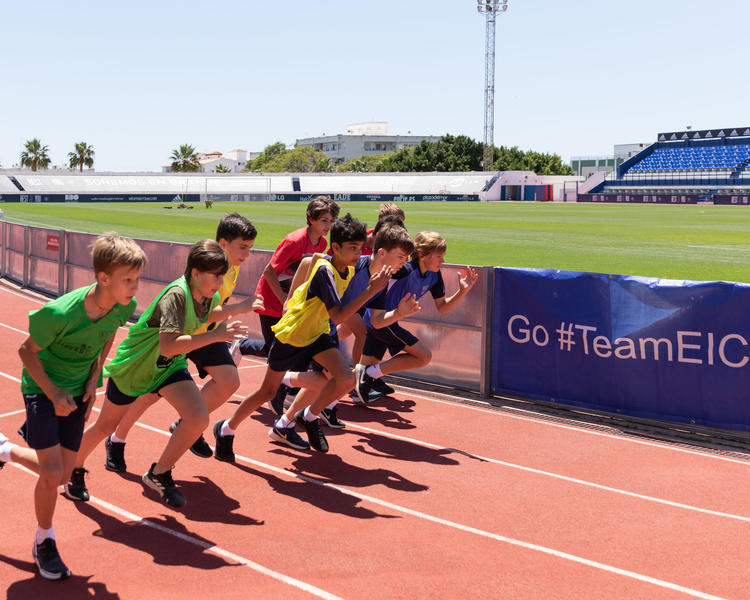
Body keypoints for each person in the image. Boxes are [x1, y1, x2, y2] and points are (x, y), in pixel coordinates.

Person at [64, 240, 247, 509]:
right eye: (216, 276)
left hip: (168, 367)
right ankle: (73, 469)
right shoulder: (177, 295)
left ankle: (159, 473)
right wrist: (216, 336)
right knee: (105, 426)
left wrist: (242, 307)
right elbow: (169, 344)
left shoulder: (208, 294)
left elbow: (209, 312)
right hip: (135, 367)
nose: (220, 282)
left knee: (198, 417)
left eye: (222, 275)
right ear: (195, 273)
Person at [8, 233, 146, 580]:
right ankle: (44, 540)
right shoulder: (59, 313)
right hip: (43, 388)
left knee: (64, 474)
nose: (134, 286)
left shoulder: (123, 306)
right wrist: (53, 393)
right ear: (103, 278)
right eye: (127, 279)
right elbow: (26, 353)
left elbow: (109, 334)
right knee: (52, 474)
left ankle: (4, 450)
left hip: (78, 390)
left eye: (137, 278)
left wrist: (93, 379)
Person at [213, 214, 391, 457]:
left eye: (360, 248)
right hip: (293, 336)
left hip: (316, 335)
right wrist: (371, 291)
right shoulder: (325, 272)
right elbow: (338, 315)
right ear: (335, 247)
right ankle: (226, 428)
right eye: (352, 248)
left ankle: (308, 416)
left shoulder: (347, 268)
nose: (357, 254)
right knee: (266, 392)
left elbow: (319, 263)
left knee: (345, 378)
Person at [103, 213, 262, 472]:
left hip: (207, 334)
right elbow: (206, 311)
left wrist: (223, 324)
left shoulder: (230, 268)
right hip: (182, 334)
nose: (246, 254)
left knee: (230, 380)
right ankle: (117, 439)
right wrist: (240, 308)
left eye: (250, 248)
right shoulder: (204, 273)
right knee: (149, 394)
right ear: (223, 244)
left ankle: (187, 423)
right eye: (242, 247)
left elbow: (211, 312)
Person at [269, 224, 418, 443]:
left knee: (328, 380)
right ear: (382, 253)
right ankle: (290, 392)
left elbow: (376, 321)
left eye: (406, 258)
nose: (404, 264)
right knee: (333, 380)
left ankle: (285, 421)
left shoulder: (381, 281)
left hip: (325, 329)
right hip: (310, 325)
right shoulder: (355, 266)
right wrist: (289, 301)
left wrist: (398, 313)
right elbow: (309, 261)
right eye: (401, 257)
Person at [354, 231, 479, 403]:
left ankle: (341, 388)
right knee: (423, 357)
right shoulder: (403, 270)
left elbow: (442, 307)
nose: (442, 261)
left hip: (387, 322)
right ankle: (369, 375)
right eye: (438, 256)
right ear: (421, 254)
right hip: (381, 321)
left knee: (358, 377)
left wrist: (462, 290)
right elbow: (375, 273)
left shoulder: (435, 275)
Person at [238, 196, 339, 359]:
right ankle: (242, 346)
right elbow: (269, 271)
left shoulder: (322, 243)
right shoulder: (295, 240)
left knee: (286, 349)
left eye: (331, 221)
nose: (328, 225)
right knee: (274, 350)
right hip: (272, 299)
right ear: (311, 219)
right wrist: (284, 300)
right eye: (324, 220)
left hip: (289, 300)